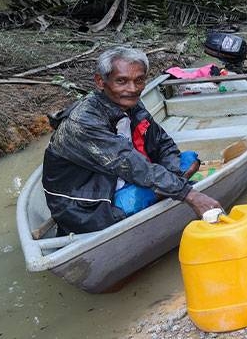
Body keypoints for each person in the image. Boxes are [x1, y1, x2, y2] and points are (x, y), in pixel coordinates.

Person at [41, 47, 221, 235]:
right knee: (153, 191)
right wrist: (188, 194)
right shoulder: (84, 121)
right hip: (88, 205)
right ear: (100, 82)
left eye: (139, 80)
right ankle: (161, 192)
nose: (133, 89)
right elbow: (130, 163)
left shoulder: (132, 105)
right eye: (121, 81)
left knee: (189, 160)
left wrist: (174, 177)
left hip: (121, 178)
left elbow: (163, 144)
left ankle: (163, 190)